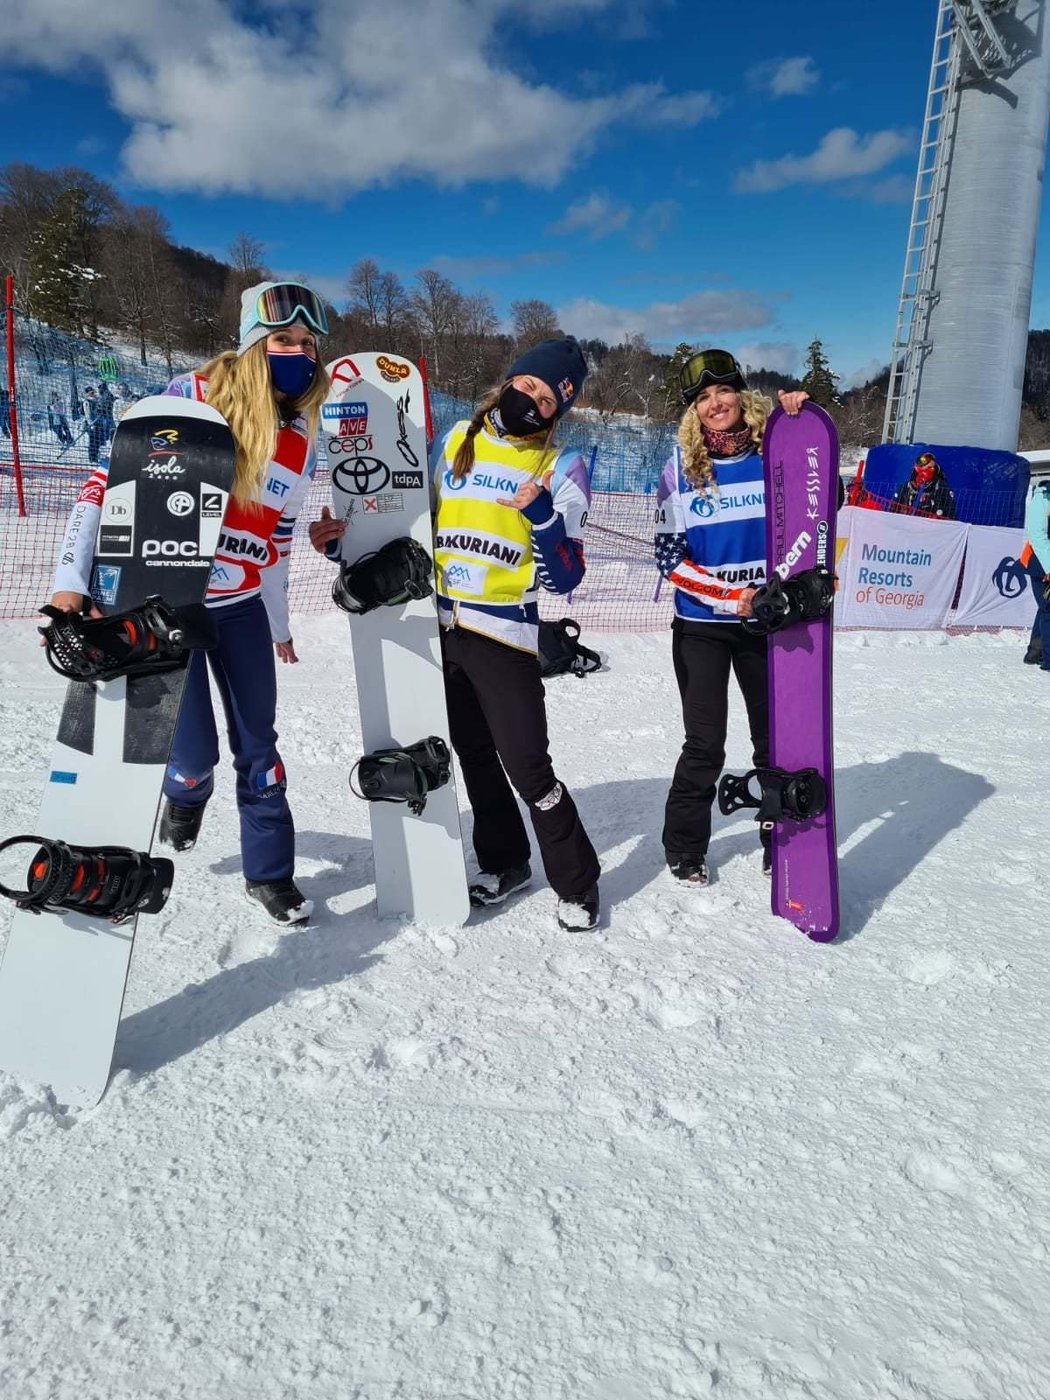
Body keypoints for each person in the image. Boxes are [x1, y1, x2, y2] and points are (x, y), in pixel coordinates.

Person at [49, 280, 332, 924]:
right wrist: (71, 582)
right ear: (253, 343)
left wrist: (279, 622)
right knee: (194, 751)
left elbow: (279, 539)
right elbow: (100, 489)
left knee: (259, 743)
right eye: (283, 340)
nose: (298, 354)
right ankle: (186, 791)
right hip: (164, 603)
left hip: (239, 607)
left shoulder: (298, 435)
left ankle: (270, 874)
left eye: (308, 344)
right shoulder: (188, 398)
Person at [312, 338, 602, 930]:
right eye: (530, 386)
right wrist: (341, 543)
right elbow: (405, 524)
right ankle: (506, 861)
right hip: (437, 627)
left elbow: (565, 576)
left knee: (529, 768)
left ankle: (577, 883)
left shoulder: (559, 465)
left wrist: (541, 515)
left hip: (503, 635)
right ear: (511, 380)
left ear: (558, 413)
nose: (534, 402)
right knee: (474, 758)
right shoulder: (452, 443)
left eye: (548, 400)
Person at [654, 349, 809, 886]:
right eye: (702, 398)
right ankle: (685, 846)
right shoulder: (679, 468)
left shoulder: (778, 452)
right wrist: (729, 596)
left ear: (742, 395)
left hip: (767, 622)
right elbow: (670, 558)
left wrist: (805, 419)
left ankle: (780, 836)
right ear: (693, 411)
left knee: (774, 738)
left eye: (722, 392)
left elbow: (821, 504)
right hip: (701, 626)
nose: (715, 404)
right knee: (705, 743)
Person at [1022, 478, 1050, 670]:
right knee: (1048, 608)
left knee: (1045, 607)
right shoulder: (1043, 499)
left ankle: (1035, 652)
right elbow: (1037, 535)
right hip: (1041, 564)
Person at [892, 450, 956, 519]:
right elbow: (893, 509)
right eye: (927, 467)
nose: (930, 469)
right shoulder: (906, 486)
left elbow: (951, 511)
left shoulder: (941, 486)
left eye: (931, 467)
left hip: (932, 524)